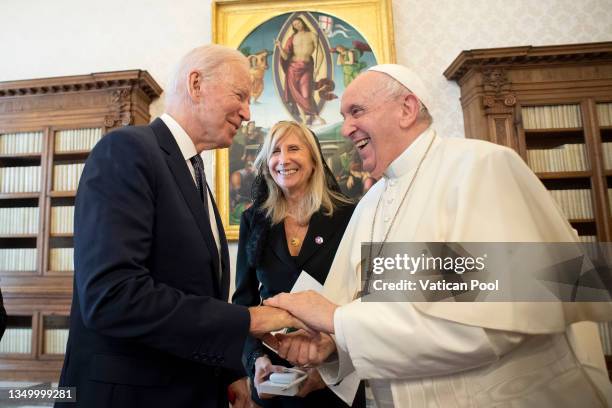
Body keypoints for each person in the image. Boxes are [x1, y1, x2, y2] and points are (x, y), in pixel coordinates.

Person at [264, 64, 612, 407]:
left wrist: (337, 321)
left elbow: (497, 320)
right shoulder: (369, 204)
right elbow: (370, 311)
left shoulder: (480, 167)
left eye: (357, 111)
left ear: (407, 109)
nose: (346, 128)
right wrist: (333, 346)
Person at [56, 45, 306, 408]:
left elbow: (198, 293)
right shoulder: (127, 151)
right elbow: (112, 296)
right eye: (240, 95)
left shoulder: (196, 173)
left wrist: (229, 373)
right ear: (196, 84)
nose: (247, 112)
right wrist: (246, 320)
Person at [232, 121, 365, 407]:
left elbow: (365, 295)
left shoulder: (350, 215)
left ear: (314, 160)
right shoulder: (253, 220)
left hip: (336, 374)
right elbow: (244, 302)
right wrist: (257, 360)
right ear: (267, 164)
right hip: (276, 378)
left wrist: (332, 361)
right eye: (275, 151)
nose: (284, 159)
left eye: (294, 148)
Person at [276, 18, 325, 125]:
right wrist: (280, 47)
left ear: (303, 22)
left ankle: (316, 116)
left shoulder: (312, 35)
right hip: (292, 68)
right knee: (296, 94)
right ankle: (303, 120)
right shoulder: (292, 38)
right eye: (294, 24)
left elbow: (320, 54)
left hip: (306, 68)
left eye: (298, 22)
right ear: (293, 27)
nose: (297, 25)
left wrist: (317, 68)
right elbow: (285, 56)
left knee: (306, 94)